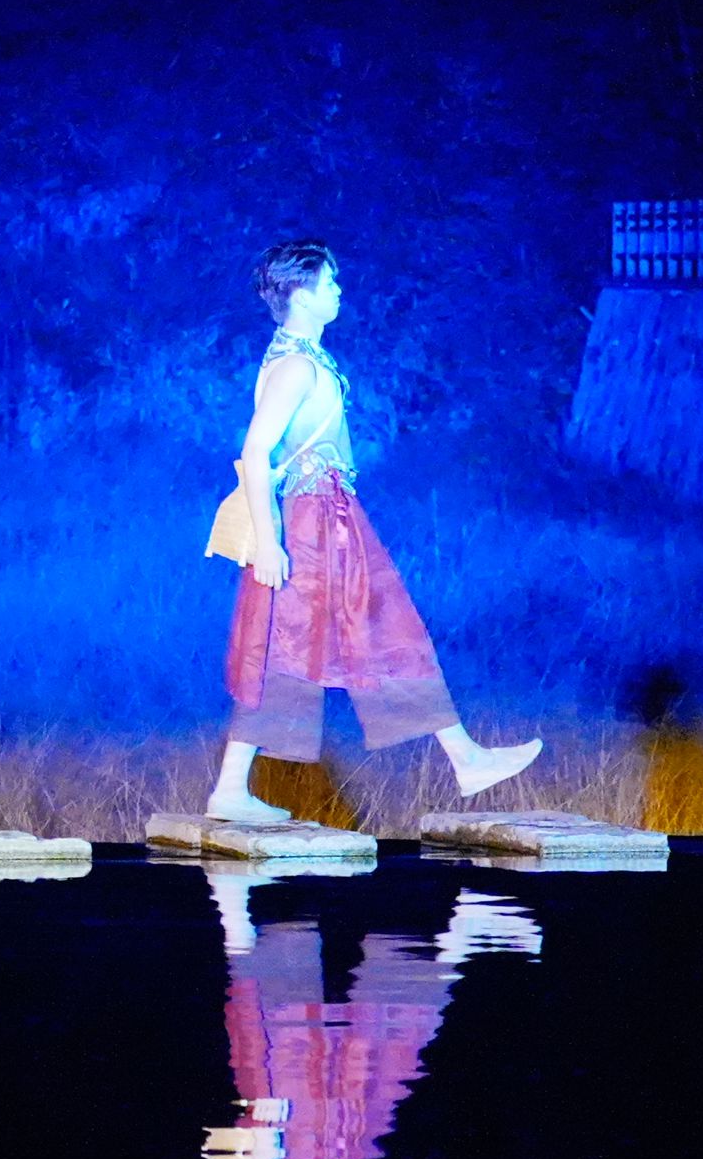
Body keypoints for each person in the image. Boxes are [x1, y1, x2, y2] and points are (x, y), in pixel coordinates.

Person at [201, 240, 539, 823]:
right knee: (322, 638)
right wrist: (272, 542)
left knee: (338, 635)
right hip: (313, 521)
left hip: (325, 516)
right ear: (301, 293)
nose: (338, 292)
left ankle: (463, 757)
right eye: (329, 283)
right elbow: (255, 452)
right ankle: (462, 757)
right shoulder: (295, 366)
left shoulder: (301, 357)